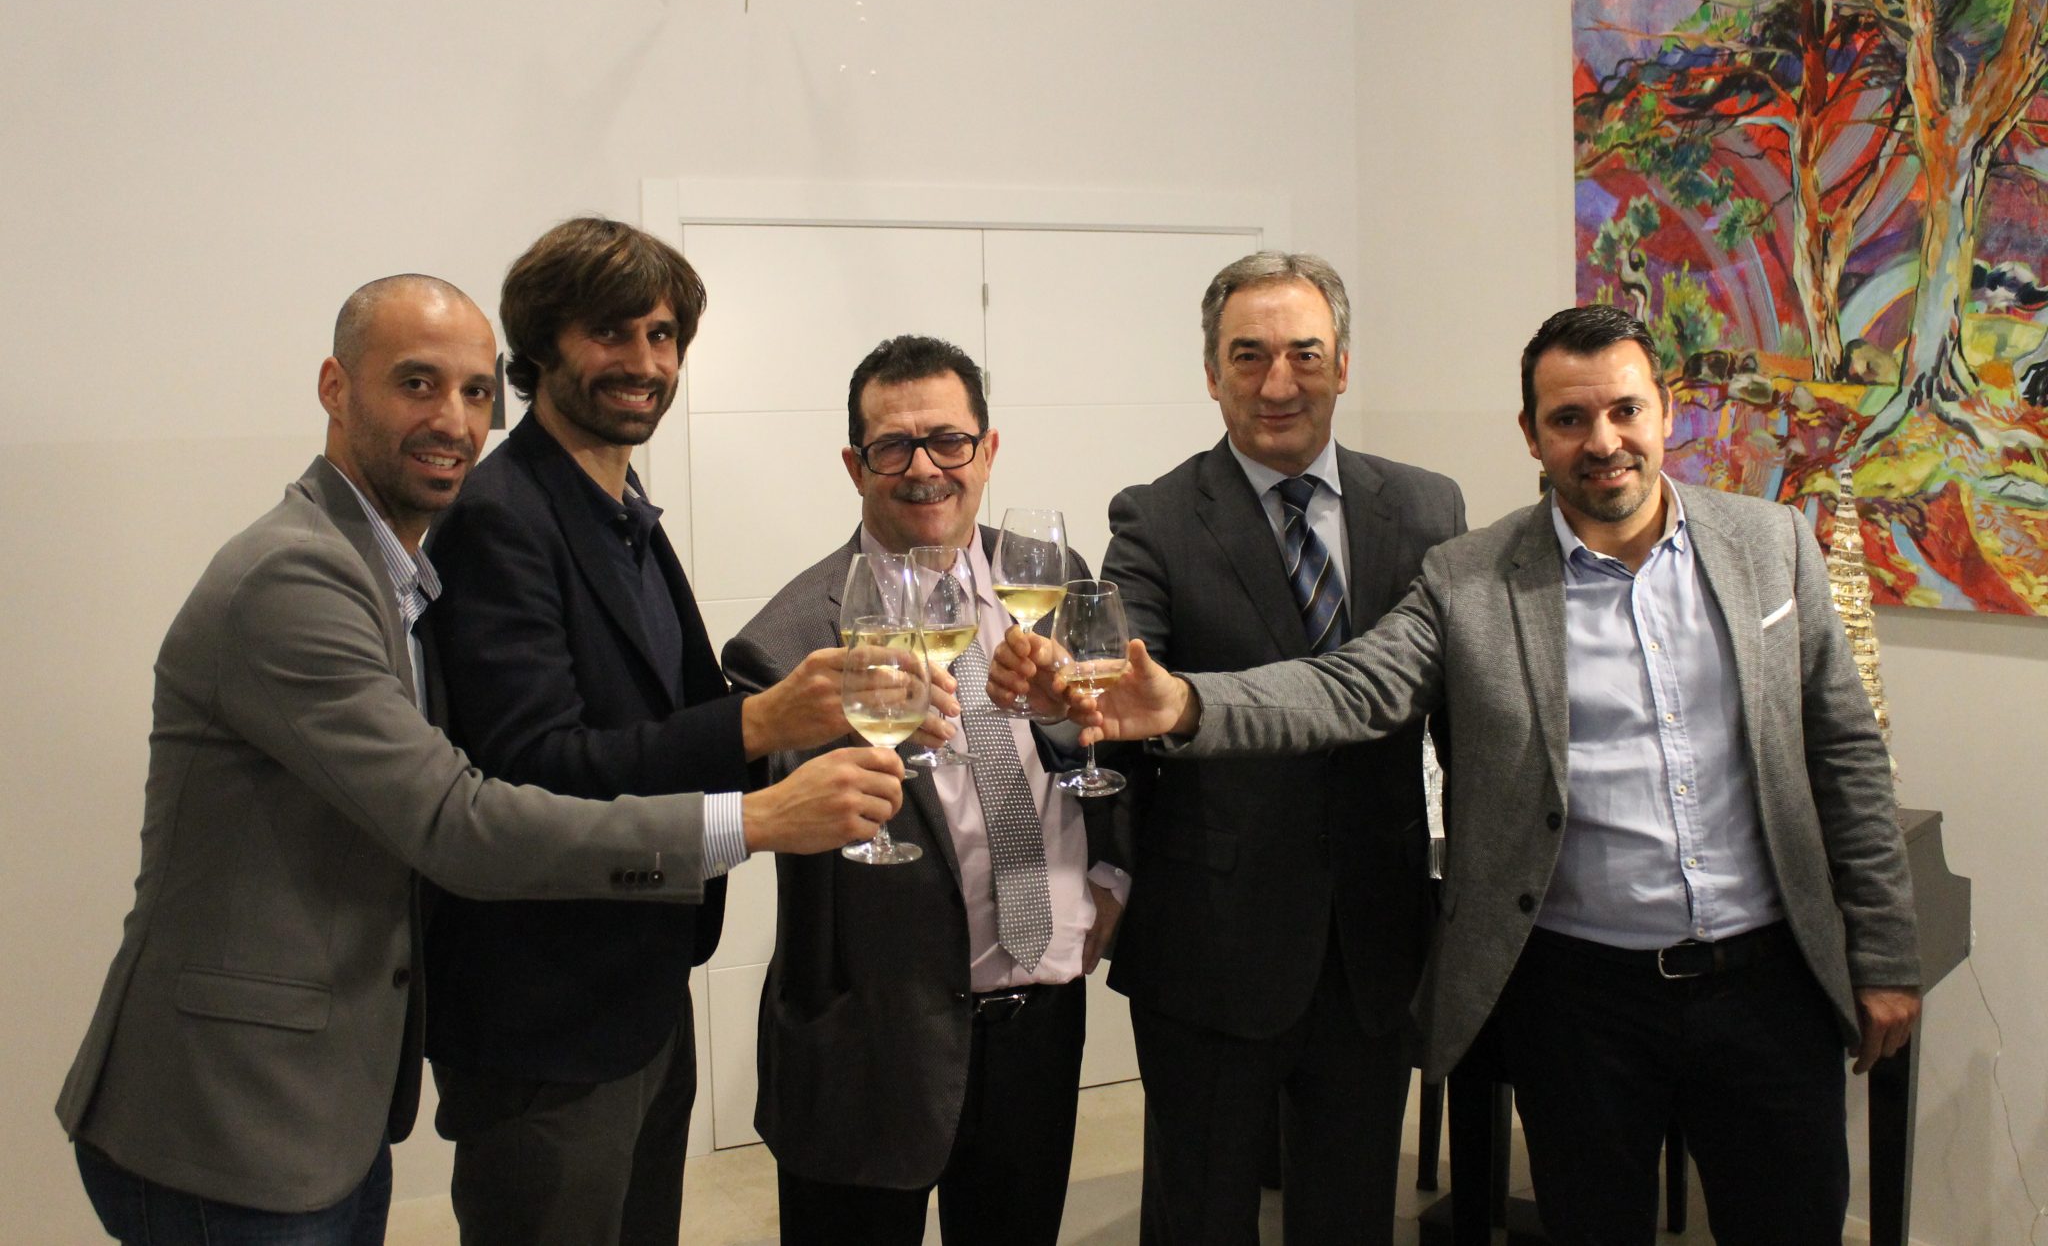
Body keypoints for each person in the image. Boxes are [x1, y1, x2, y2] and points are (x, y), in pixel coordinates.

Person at [998, 304, 1922, 1246]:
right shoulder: (1471, 579)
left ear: (1666, 411)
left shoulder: (1772, 545)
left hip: (1766, 987)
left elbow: (1845, 750)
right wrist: (1188, 704)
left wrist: (1886, 951)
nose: (1603, 442)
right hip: (1581, 1002)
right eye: (1570, 419)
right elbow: (1349, 686)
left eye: (1625, 410)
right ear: (1531, 433)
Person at [55, 275, 902, 1246]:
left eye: (471, 392)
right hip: (227, 1114)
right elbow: (458, 820)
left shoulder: (401, 570)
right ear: (335, 387)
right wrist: (752, 819)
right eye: (416, 384)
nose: (454, 422)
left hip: (330, 1094)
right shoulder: (297, 574)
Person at [419, 218, 887, 1246]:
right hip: (545, 1009)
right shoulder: (501, 513)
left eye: (663, 334)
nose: (644, 362)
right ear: (540, 346)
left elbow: (663, 718)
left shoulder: (621, 506)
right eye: (611, 332)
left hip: (640, 978)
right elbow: (530, 768)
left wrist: (803, 729)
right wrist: (759, 721)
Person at [721, 335, 1125, 1246]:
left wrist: (1113, 878)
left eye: (947, 440)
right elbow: (769, 810)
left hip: (1037, 1025)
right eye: (892, 446)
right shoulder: (786, 638)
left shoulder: (1052, 581)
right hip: (870, 1042)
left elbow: (1117, 738)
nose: (924, 468)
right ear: (853, 465)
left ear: (988, 449)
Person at [1100, 252, 1464, 1245]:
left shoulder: (1427, 510)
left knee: (1351, 1215)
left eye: (1304, 353)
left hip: (1373, 939)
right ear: (1210, 374)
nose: (1277, 383)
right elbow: (1122, 691)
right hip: (1210, 943)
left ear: (1342, 365)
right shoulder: (1155, 518)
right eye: (1247, 356)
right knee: (1200, 1216)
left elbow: (1459, 713)